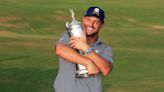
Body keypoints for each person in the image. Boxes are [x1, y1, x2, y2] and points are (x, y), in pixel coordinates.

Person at [54, 6, 114, 92]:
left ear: (101, 25)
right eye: (88, 19)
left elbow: (106, 69)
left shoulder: (105, 47)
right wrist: (87, 62)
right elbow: (60, 50)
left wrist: (86, 48)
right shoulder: (71, 35)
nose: (91, 24)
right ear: (83, 19)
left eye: (96, 21)